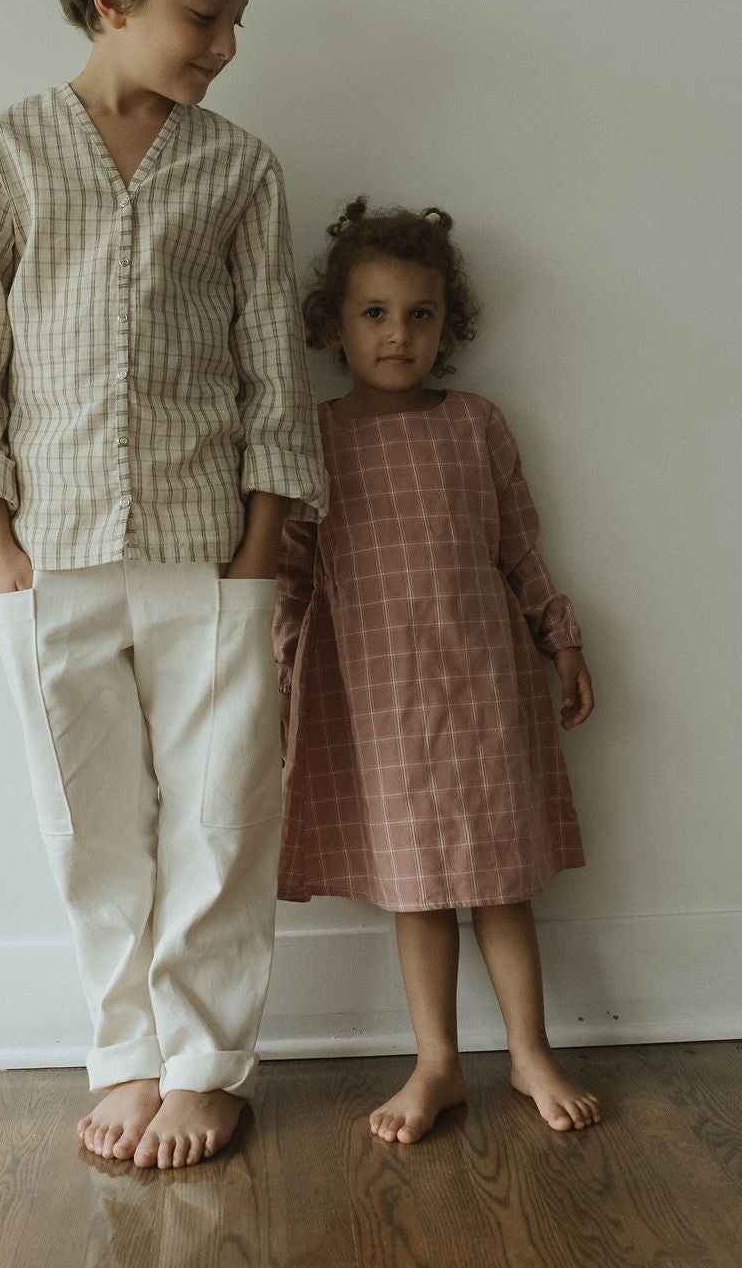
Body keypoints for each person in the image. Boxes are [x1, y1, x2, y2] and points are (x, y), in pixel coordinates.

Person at [0, 0, 326, 1170]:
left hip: (215, 552)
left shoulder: (239, 170)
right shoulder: (8, 153)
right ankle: (128, 1056)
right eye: (202, 16)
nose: (222, 46)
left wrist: (265, 539)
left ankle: (209, 1066)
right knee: (89, 825)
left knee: (219, 819)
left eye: (233, 24)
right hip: (50, 559)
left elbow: (276, 360)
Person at [275, 199, 599, 1143]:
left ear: (447, 325)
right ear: (331, 326)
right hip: (377, 700)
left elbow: (520, 550)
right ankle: (438, 1063)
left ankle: (531, 1052)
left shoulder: (478, 425)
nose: (398, 333)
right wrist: (280, 677)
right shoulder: (315, 436)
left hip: (485, 686)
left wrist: (561, 635)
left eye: (420, 314)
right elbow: (293, 573)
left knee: (503, 879)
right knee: (415, 889)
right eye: (374, 313)